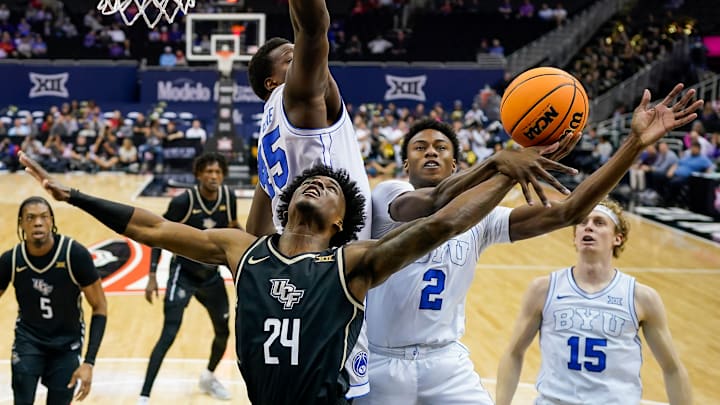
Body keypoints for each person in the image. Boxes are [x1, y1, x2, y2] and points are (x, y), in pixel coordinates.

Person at [21, 148, 563, 404]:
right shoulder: (244, 250)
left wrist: (500, 173)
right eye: (309, 183)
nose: (315, 186)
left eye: (329, 189)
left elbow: (443, 223)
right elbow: (153, 227)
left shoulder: (353, 262)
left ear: (341, 222)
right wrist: (73, 196)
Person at [356, 83, 702, 405]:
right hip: (383, 360)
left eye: (440, 147)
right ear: (404, 164)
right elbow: (433, 205)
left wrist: (633, 146)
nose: (430, 152)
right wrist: (502, 164)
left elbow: (569, 211)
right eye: (420, 147)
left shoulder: (484, 218)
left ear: (455, 164)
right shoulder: (387, 196)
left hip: (444, 359)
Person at [246, 0, 373, 398]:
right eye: (290, 58)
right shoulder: (298, 98)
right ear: (274, 82)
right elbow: (314, 28)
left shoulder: (271, 125)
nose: (301, 59)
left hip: (303, 280)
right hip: (339, 272)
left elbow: (255, 230)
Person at [495, 199, 692, 405]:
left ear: (618, 238)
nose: (588, 226)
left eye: (599, 223)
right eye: (582, 222)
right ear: (576, 236)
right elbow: (513, 353)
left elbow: (673, 368)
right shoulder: (543, 289)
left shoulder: (641, 297)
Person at [138, 153, 240, 403]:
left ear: (223, 174)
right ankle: (144, 395)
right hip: (183, 275)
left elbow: (235, 226)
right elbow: (157, 234)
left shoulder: (228, 198)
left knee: (223, 331)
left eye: (218, 172)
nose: (214, 176)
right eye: (209, 172)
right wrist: (151, 275)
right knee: (169, 334)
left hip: (211, 277)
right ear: (198, 174)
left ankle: (208, 377)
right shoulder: (184, 202)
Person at [0, 196, 107, 404]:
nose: (37, 222)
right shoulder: (11, 260)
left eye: (43, 217)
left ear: (52, 221)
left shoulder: (74, 254)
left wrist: (89, 362)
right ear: (21, 223)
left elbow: (100, 306)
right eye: (30, 218)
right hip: (28, 341)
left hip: (67, 345)